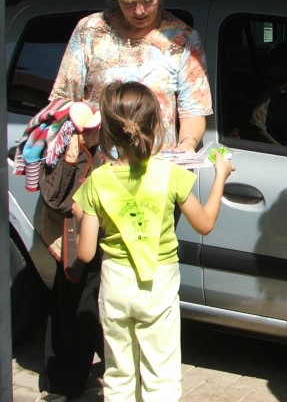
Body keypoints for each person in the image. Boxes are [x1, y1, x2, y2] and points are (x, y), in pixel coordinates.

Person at [37, 0, 213, 401]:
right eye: (130, 0)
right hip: (96, 175)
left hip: (154, 180)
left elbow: (195, 111)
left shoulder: (182, 39)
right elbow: (60, 99)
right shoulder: (90, 32)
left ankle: (138, 379)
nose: (140, 9)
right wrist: (81, 123)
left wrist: (184, 147)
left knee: (143, 279)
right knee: (79, 275)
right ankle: (68, 380)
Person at [73, 81, 234, 401]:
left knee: (119, 375)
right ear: (157, 126)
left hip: (116, 284)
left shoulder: (97, 180)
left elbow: (86, 252)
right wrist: (220, 177)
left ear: (107, 130)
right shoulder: (170, 173)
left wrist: (81, 215)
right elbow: (205, 224)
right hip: (158, 283)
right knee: (161, 376)